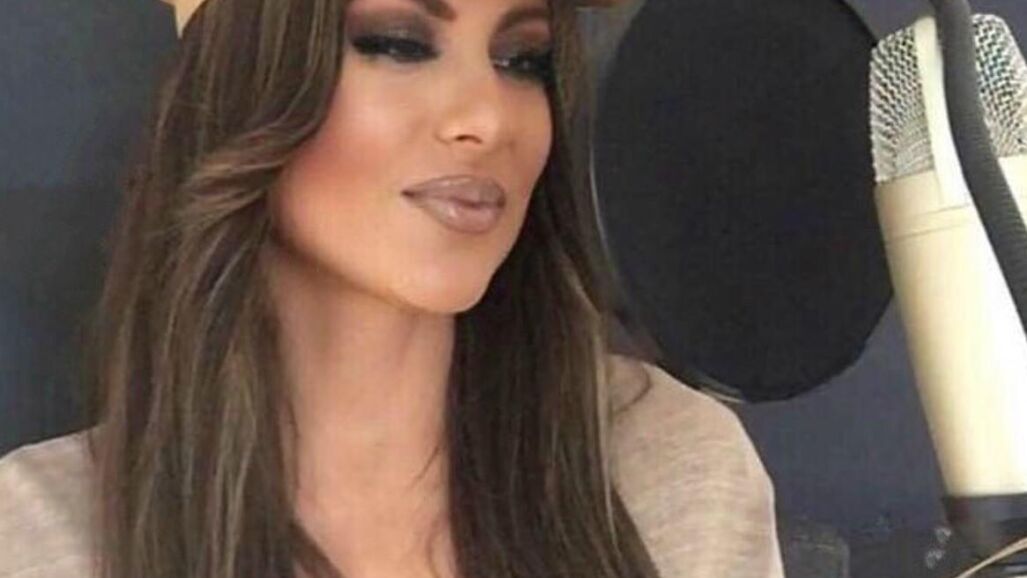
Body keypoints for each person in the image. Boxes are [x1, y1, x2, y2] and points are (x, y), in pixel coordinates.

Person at [0, 0, 784, 576]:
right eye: (398, 44)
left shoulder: (667, 469)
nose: (486, 118)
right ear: (246, 81)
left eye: (523, 60)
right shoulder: (41, 537)